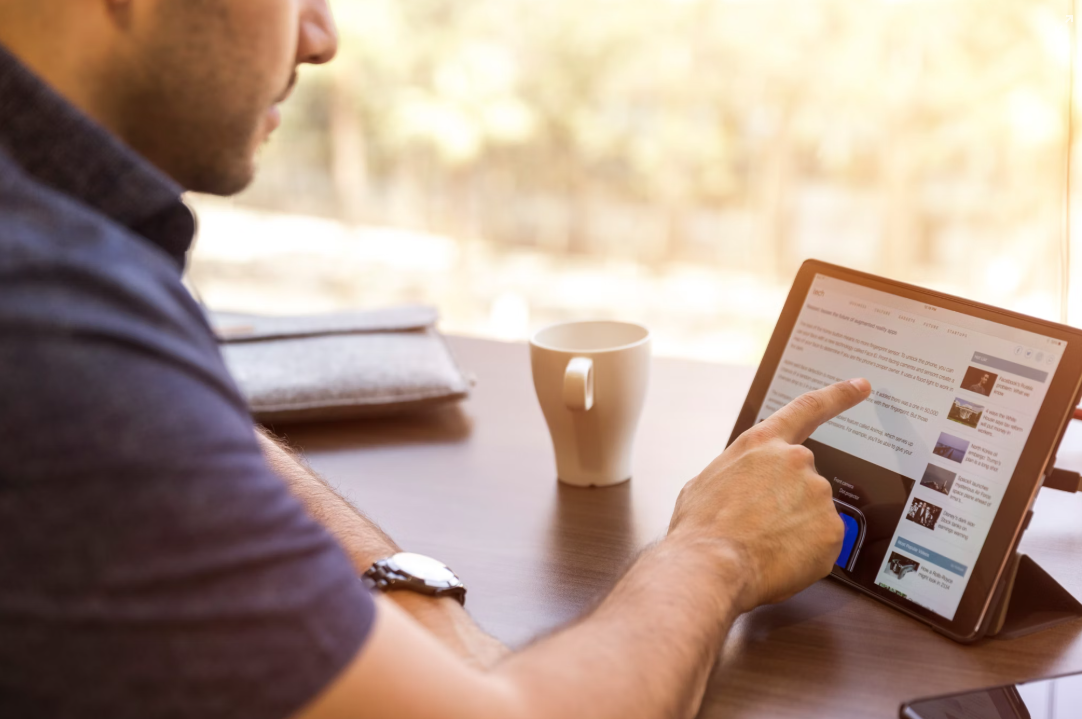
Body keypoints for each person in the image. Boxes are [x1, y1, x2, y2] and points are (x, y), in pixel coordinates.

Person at [0, 1, 872, 717]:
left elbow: (161, 419)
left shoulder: (66, 272)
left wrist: (412, 599)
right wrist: (717, 550)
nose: (321, 34)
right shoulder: (44, 314)